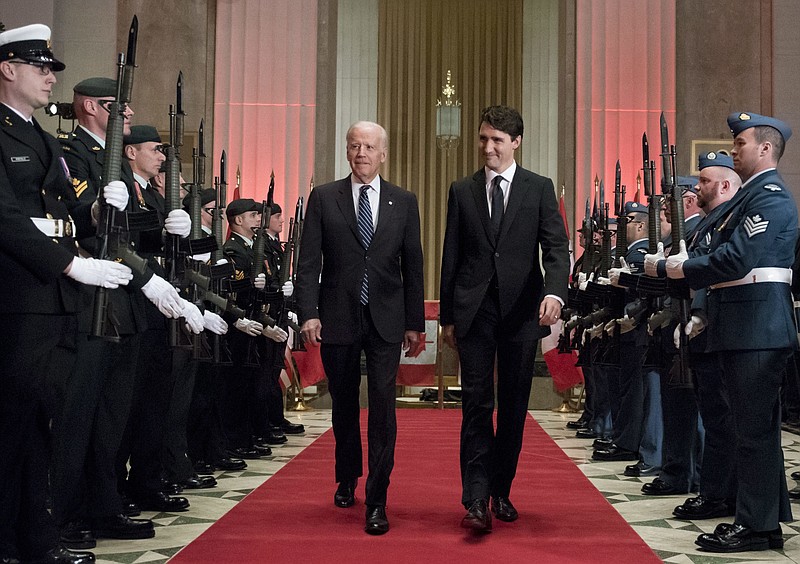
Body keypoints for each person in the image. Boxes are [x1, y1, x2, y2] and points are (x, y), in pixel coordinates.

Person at [0, 23, 133, 564]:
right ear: (8, 69)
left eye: (53, 69)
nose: (50, 78)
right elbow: (5, 217)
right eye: (40, 68)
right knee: (10, 425)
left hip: (53, 297)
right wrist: (71, 265)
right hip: (17, 294)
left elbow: (67, 212)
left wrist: (102, 207)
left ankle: (34, 537)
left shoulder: (44, 139)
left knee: (39, 423)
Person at [653, 112, 796, 553]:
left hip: (757, 326)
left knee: (752, 432)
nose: (735, 149)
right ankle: (758, 518)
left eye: (742, 143)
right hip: (743, 325)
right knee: (747, 429)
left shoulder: (769, 197)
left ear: (766, 149)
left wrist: (681, 267)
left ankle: (757, 527)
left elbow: (736, 259)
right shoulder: (748, 198)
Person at [439, 105, 569, 533]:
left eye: (496, 139)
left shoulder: (538, 188)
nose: (487, 147)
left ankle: (501, 491)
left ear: (516, 142)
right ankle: (475, 499)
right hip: (475, 313)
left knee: (513, 408)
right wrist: (448, 317)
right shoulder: (463, 190)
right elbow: (451, 257)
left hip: (521, 313)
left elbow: (555, 248)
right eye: (482, 138)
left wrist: (554, 292)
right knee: (476, 405)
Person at [296, 120, 424, 535]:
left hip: (387, 319)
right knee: (345, 404)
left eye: (369, 147)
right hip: (337, 316)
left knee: (384, 407)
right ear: (346, 151)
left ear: (383, 154)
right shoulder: (323, 198)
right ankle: (347, 474)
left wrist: (414, 322)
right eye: (354, 146)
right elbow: (309, 261)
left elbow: (414, 264)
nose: (361, 153)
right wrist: (308, 313)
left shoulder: (404, 201)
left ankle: (378, 495)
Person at [667, 151, 741, 520]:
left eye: (705, 181)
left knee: (723, 419)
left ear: (725, 185)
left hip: (720, 327)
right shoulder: (711, 223)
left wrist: (699, 314)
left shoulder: (728, 220)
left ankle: (717, 494)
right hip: (707, 330)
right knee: (716, 417)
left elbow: (717, 273)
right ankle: (715, 492)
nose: (697, 188)